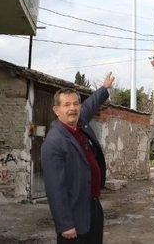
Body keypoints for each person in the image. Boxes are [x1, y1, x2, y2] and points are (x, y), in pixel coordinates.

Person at [41, 72, 115, 243]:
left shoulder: (78, 123)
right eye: (66, 104)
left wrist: (104, 88)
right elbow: (55, 188)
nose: (72, 108)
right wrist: (65, 224)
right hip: (74, 215)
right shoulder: (54, 142)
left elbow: (90, 105)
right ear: (56, 110)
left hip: (92, 207)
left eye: (75, 104)